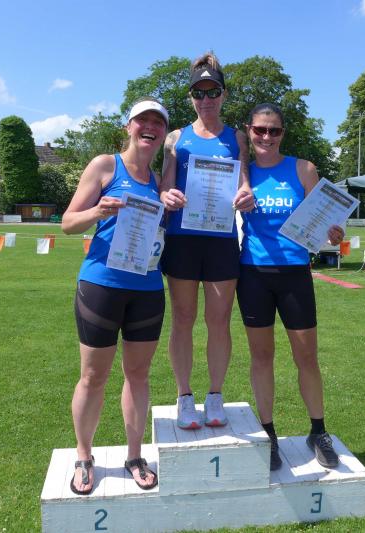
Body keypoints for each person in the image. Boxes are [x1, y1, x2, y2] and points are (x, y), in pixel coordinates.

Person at [60, 98, 169, 495]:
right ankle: (84, 456)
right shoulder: (105, 166)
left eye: (157, 122)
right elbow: (68, 223)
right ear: (129, 127)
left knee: (138, 375)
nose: (149, 127)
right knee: (93, 376)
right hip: (102, 286)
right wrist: (97, 212)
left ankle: (135, 456)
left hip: (147, 288)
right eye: (142, 120)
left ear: (162, 134)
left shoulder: (161, 181)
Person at [237, 103, 344, 471]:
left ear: (283, 133)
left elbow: (325, 226)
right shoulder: (241, 172)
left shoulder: (303, 169)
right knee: (261, 357)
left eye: (274, 130)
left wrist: (334, 234)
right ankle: (268, 434)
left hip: (295, 274)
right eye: (259, 130)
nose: (266, 136)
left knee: (306, 357)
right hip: (253, 273)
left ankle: (318, 431)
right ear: (249, 130)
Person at [159, 52, 254, 429]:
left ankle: (215, 395)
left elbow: (244, 183)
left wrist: (245, 194)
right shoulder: (175, 138)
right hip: (182, 239)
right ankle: (184, 396)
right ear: (191, 97)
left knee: (219, 321)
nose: (206, 99)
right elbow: (165, 184)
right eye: (198, 93)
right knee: (183, 319)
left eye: (213, 91)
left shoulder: (237, 138)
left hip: (220, 240)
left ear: (223, 94)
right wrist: (166, 195)